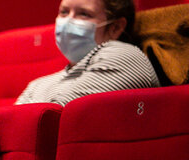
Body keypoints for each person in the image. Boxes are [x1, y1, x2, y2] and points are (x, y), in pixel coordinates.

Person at [15, 0, 160, 106]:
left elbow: (56, 118)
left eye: (84, 14)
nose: (68, 21)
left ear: (115, 28)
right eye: (64, 12)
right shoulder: (38, 85)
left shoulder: (127, 57)